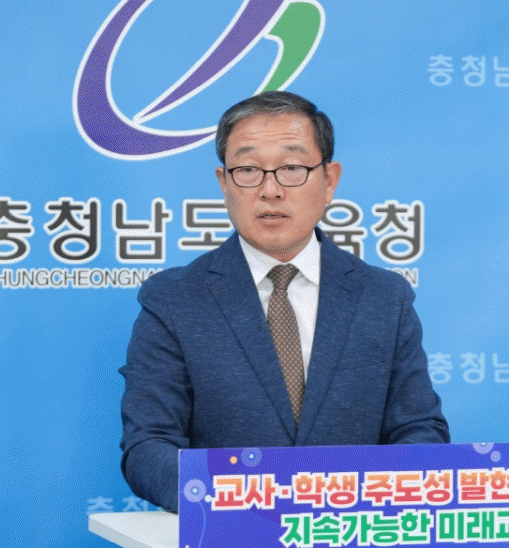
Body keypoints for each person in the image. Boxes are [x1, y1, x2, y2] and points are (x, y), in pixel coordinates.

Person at [119, 91, 449, 513]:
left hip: (349, 531)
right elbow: (149, 446)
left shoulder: (384, 298)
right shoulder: (174, 300)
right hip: (231, 533)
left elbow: (419, 431)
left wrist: (359, 502)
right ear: (224, 183)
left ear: (329, 180)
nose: (270, 190)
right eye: (248, 170)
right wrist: (244, 502)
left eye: (292, 168)